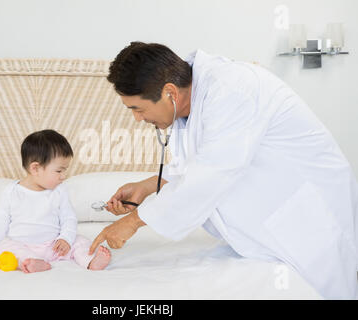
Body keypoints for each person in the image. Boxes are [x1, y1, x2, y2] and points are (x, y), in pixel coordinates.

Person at [89, 42, 358, 299]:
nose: (137, 118)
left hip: (309, 218)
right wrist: (148, 186)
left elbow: (211, 173)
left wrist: (134, 221)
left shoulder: (233, 89)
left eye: (137, 108)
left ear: (169, 93)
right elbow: (196, 166)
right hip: (274, 219)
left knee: (328, 289)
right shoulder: (190, 105)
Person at [0, 129, 111, 272]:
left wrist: (65, 238)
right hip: (22, 244)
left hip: (54, 246)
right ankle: (33, 261)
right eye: (59, 171)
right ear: (35, 168)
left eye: (64, 171)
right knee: (3, 247)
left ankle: (90, 261)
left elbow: (69, 218)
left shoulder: (59, 191)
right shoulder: (11, 192)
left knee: (80, 241)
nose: (63, 176)